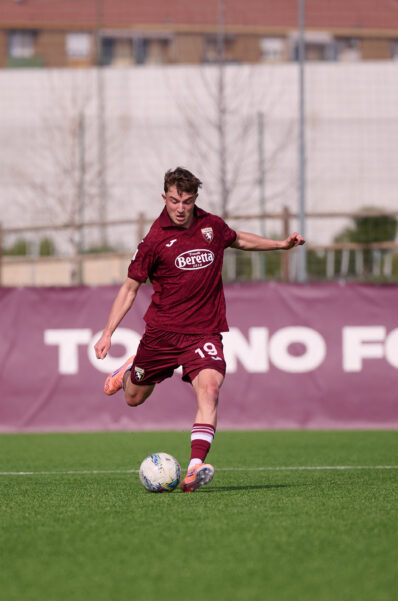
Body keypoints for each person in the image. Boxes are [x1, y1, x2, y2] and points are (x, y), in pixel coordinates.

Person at [93, 167, 306, 492]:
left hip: (204, 332)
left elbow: (239, 239)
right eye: (175, 200)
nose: (181, 208)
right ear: (165, 197)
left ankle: (195, 467)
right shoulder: (154, 240)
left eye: (188, 201)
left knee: (210, 391)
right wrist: (108, 332)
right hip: (162, 334)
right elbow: (129, 288)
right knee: (133, 399)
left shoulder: (211, 226)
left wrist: (280, 244)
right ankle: (130, 369)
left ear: (195, 199)